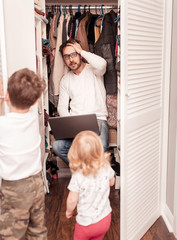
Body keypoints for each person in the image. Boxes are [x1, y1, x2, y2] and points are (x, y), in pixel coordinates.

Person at [0, 68, 47, 239]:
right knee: (37, 229)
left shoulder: (3, 125)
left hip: (14, 188)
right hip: (36, 183)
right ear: (35, 102)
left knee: (11, 233)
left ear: (6, 96)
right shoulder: (33, 118)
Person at [52, 38, 109, 165]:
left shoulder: (94, 70)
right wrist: (71, 125)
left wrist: (81, 51)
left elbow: (103, 64)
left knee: (100, 147)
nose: (71, 59)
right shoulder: (65, 80)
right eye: (67, 56)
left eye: (74, 54)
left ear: (79, 54)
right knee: (58, 146)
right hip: (75, 123)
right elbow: (62, 107)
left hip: (97, 119)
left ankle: (84, 174)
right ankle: (85, 172)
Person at [66, 130, 115, 240]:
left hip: (86, 224)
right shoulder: (106, 167)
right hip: (105, 219)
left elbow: (72, 200)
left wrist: (69, 211)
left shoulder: (78, 176)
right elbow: (112, 182)